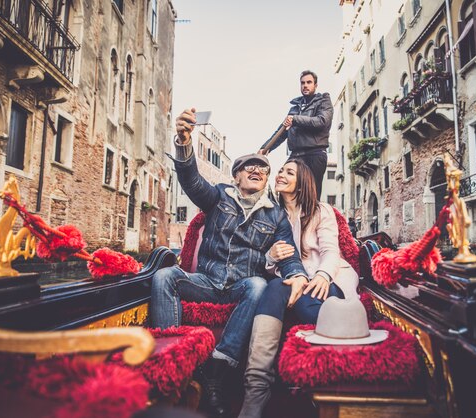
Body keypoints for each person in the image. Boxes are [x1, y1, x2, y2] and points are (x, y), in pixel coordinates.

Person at [152, 108, 308, 418]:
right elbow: (192, 180)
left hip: (241, 286)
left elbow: (288, 253)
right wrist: (184, 143)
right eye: (248, 166)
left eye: (262, 168)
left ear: (265, 180)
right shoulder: (219, 197)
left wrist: (298, 276)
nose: (256, 169)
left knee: (258, 285)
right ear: (235, 176)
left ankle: (216, 374)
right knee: (164, 276)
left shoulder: (275, 216)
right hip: (207, 282)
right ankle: (171, 362)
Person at [238, 159, 359, 418]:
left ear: (301, 182)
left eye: (288, 172)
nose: (280, 174)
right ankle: (255, 392)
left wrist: (323, 276)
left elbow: (330, 251)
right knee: (272, 289)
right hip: (290, 279)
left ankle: (327, 384)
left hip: (327, 276)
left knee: (306, 302)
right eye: (280, 170)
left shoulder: (321, 211)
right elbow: (267, 265)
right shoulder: (270, 213)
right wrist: (271, 256)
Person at [258, 70, 333, 199]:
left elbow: (322, 122)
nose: (305, 85)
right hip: (296, 155)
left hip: (314, 154)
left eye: (309, 82)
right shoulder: (295, 107)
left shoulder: (323, 101)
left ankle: (312, 218)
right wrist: (265, 148)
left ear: (315, 85)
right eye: (302, 83)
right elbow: (281, 132)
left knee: (311, 194)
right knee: (285, 189)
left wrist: (296, 119)